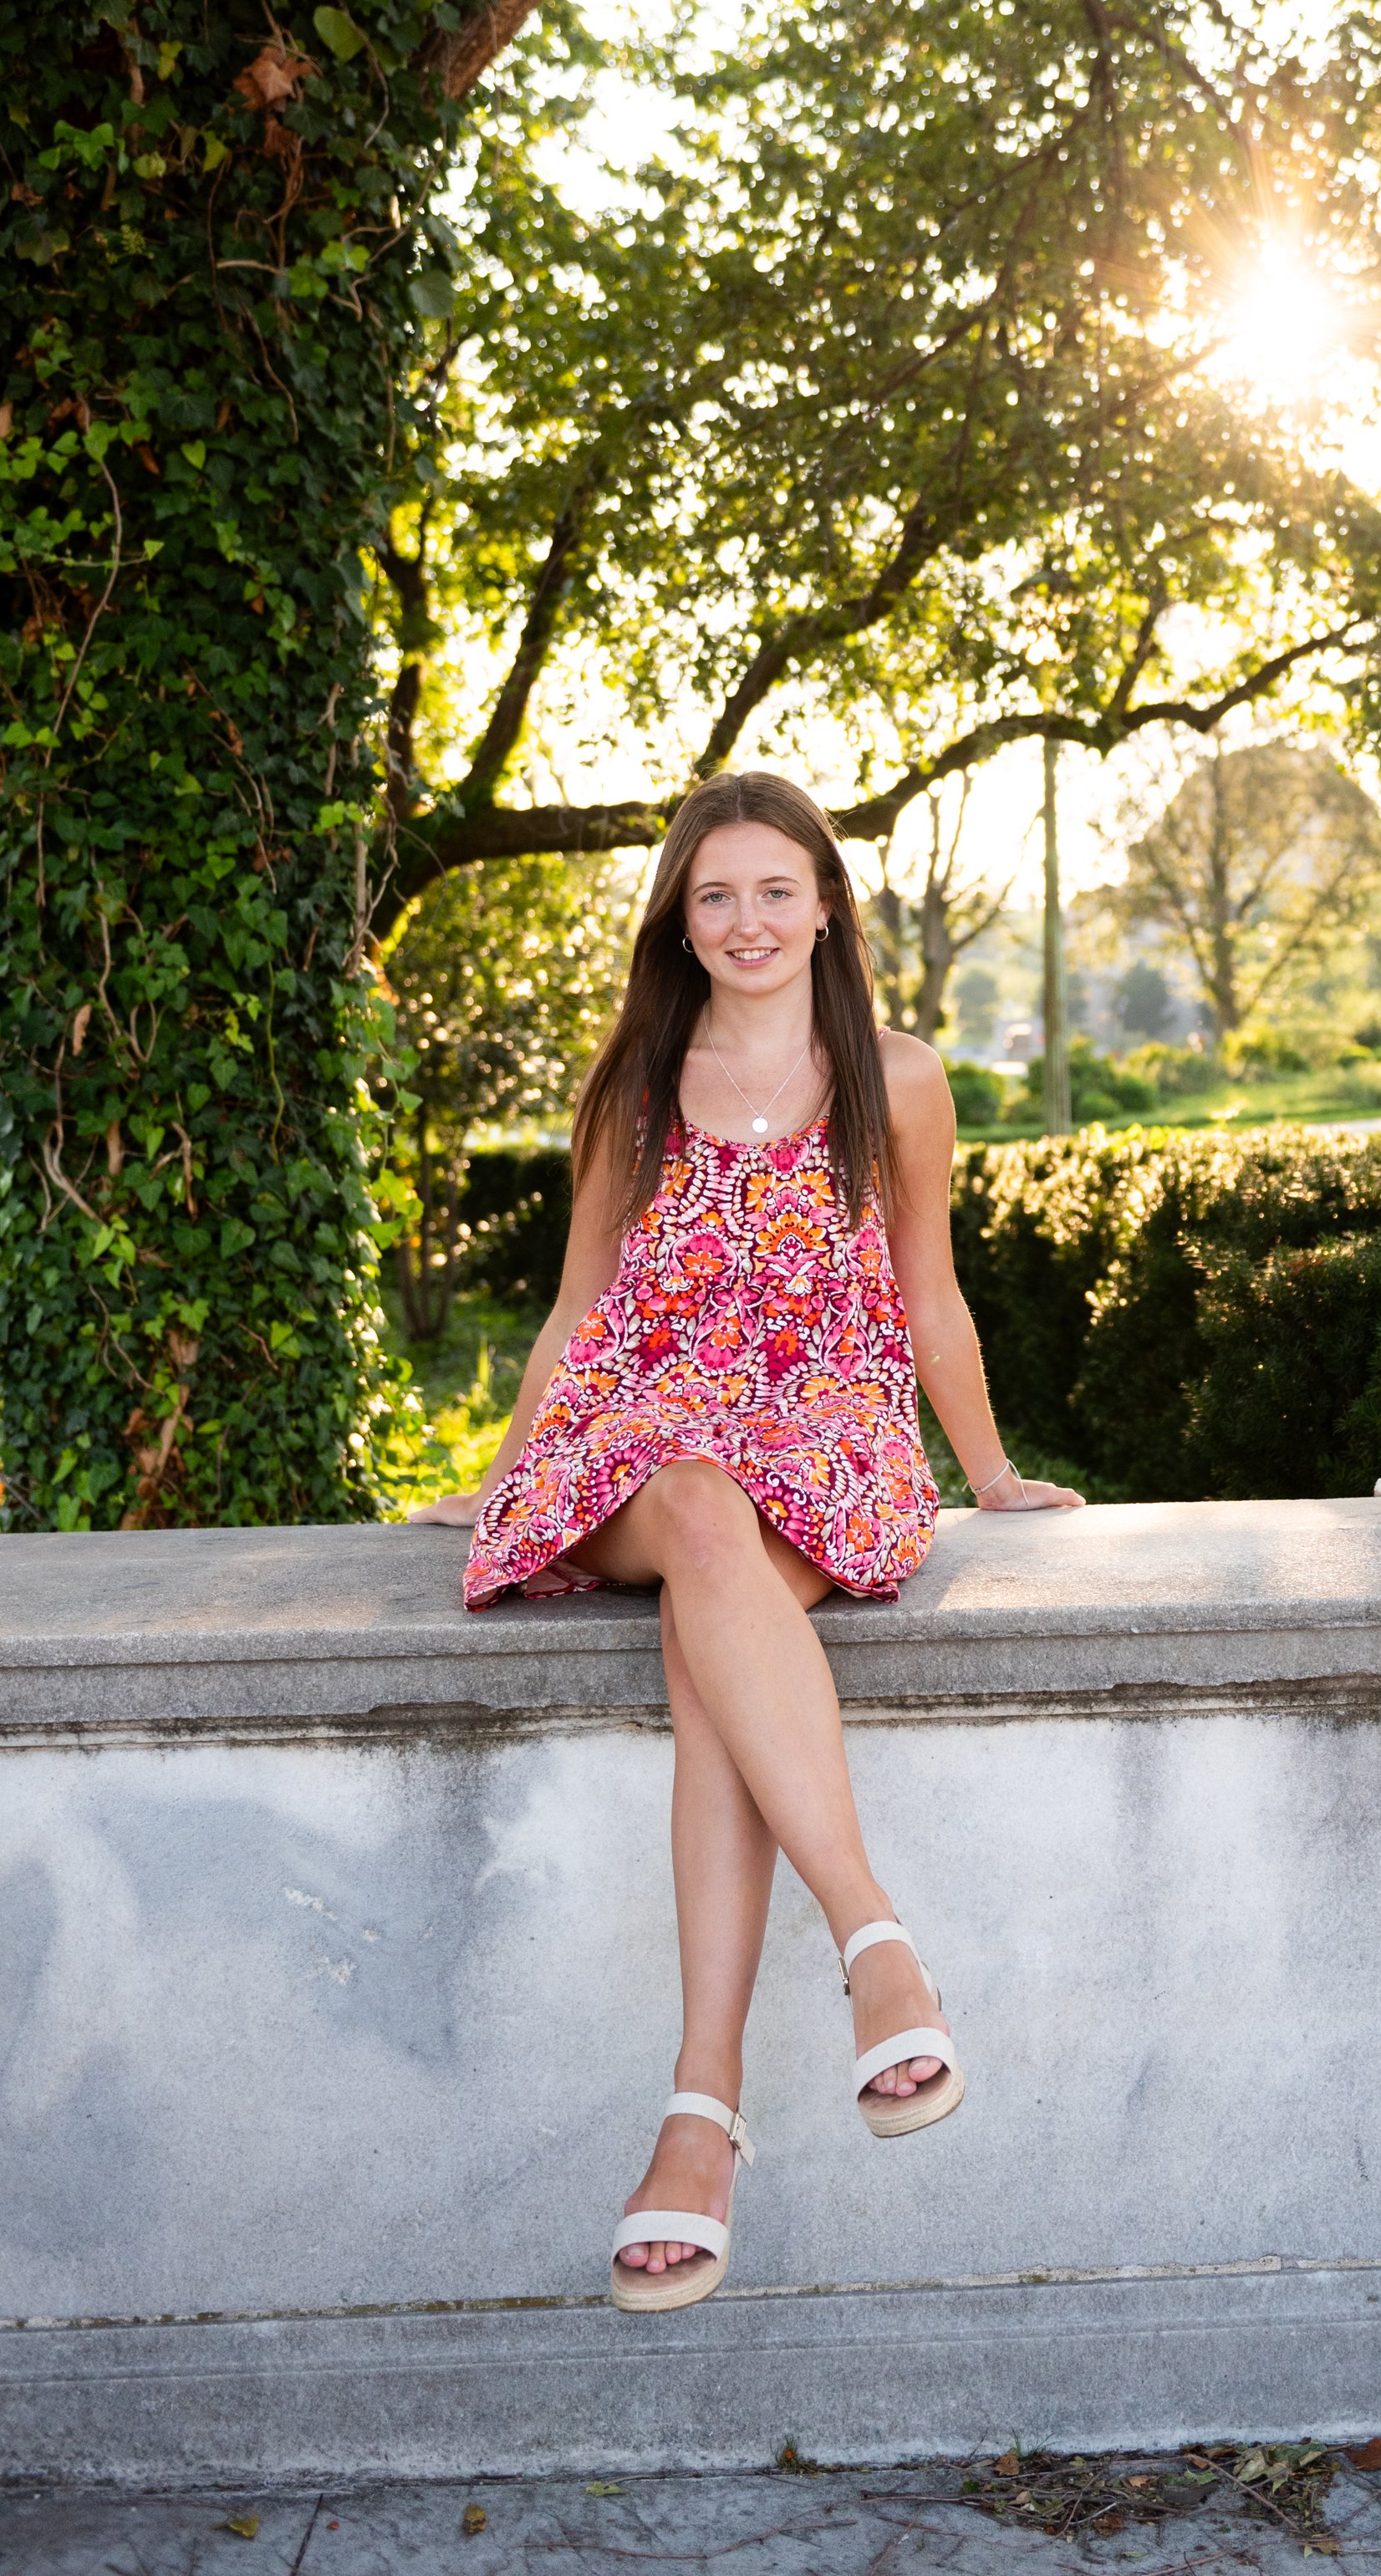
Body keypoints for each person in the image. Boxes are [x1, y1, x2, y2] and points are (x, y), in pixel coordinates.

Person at [407, 771, 1083, 2311]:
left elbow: (929, 1292)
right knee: (703, 1508)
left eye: (776, 889)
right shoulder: (637, 1081)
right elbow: (578, 1304)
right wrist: (499, 1476)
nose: (747, 919)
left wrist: (988, 1471)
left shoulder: (898, 1079)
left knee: (713, 1637)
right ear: (681, 918)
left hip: (826, 1431)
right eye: (715, 894)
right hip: (642, 1437)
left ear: (828, 903)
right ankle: (875, 1940)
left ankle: (700, 2109)